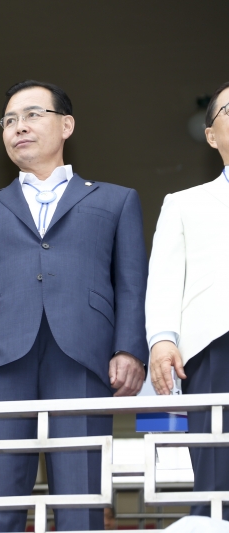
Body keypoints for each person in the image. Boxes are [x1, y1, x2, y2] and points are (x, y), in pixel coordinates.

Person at [0, 80, 148, 531]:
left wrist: (129, 348)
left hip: (84, 357)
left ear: (66, 125)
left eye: (32, 115)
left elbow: (131, 283)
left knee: (81, 502)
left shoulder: (116, 200)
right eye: (9, 120)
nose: (19, 127)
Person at [146, 81, 229, 520]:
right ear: (211, 135)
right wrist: (162, 340)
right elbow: (163, 278)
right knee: (218, 475)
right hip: (216, 346)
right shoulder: (183, 204)